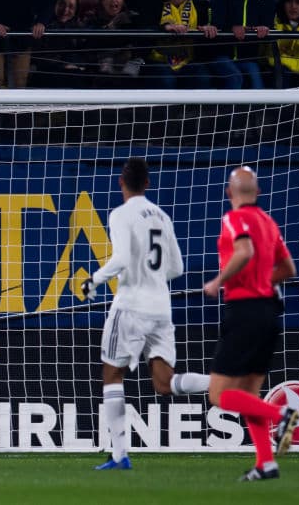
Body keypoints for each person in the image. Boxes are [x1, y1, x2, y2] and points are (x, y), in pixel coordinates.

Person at [80, 158, 211, 471]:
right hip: (161, 309)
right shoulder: (162, 217)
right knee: (164, 383)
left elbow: (123, 257)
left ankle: (119, 455)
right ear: (148, 184)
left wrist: (94, 279)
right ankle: (222, 382)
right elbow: (177, 268)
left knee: (112, 375)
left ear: (120, 183)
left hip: (131, 306)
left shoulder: (121, 213)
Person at [202, 166, 299, 481]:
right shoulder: (269, 223)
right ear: (258, 193)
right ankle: (266, 463)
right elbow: (288, 269)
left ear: (229, 193)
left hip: (243, 312)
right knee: (249, 396)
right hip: (269, 314)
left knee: (219, 395)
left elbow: (243, 251)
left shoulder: (233, 218)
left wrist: (218, 281)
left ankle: (282, 414)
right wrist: (261, 283)